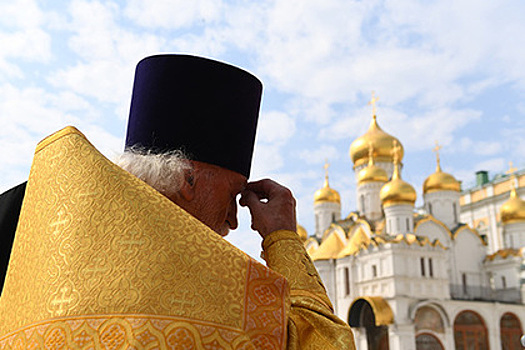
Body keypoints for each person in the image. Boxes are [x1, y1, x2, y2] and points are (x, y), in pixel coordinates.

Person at [0, 55, 355, 349]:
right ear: (187, 180)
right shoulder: (210, 283)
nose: (234, 220)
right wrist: (282, 239)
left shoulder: (37, 241)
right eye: (233, 195)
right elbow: (323, 343)